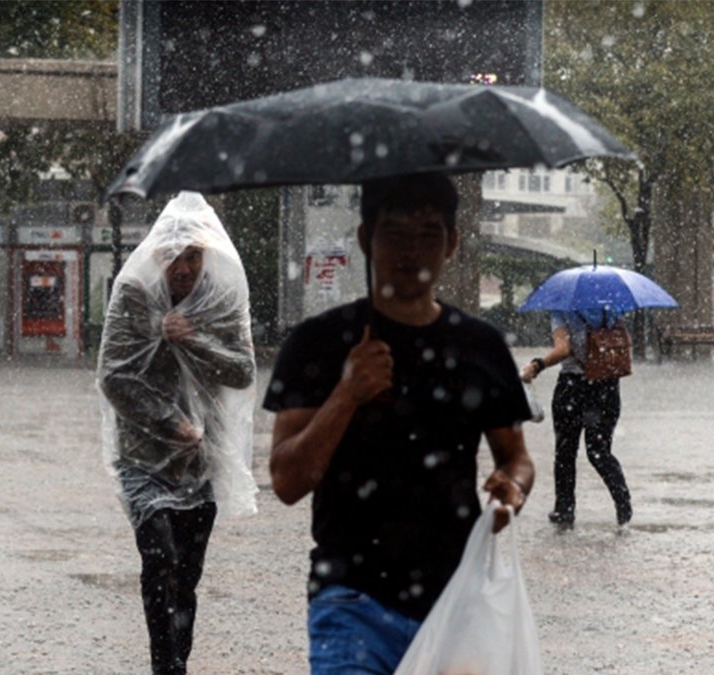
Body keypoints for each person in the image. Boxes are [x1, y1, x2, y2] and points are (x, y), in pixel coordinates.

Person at [263, 172, 535, 674]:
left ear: (452, 243)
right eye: (394, 233)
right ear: (366, 237)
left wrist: (511, 492)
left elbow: (515, 458)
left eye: (428, 233)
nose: (411, 251)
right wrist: (348, 392)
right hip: (350, 601)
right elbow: (286, 480)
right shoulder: (317, 344)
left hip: (455, 598)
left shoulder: (480, 347)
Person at [97, 191, 258, 675]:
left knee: (186, 579)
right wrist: (171, 421)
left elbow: (243, 370)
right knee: (160, 560)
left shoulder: (219, 301)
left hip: (200, 462)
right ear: (157, 254)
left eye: (193, 256)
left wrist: (195, 339)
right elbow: (114, 376)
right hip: (144, 459)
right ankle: (167, 668)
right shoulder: (134, 297)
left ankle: (175, 663)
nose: (184, 267)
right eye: (174, 255)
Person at [520, 308, 632, 527]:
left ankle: (564, 510)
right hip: (607, 387)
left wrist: (536, 365)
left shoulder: (562, 309)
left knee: (565, 452)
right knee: (599, 451)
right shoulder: (611, 309)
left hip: (572, 388)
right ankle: (623, 503)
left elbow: (563, 350)